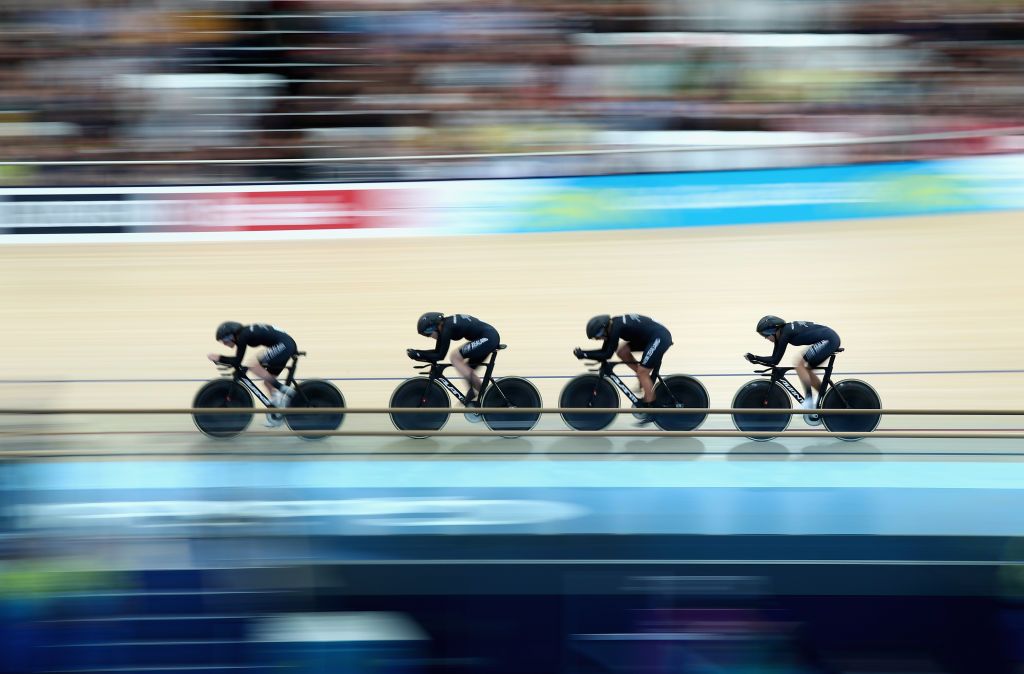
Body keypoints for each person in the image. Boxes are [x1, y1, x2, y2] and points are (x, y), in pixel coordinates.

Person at [573, 314, 673, 424]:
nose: (599, 338)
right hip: (653, 336)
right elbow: (605, 351)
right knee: (622, 351)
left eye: (599, 334)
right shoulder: (613, 325)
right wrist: (585, 354)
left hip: (659, 337)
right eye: (596, 337)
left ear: (605, 327)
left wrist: (584, 354)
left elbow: (606, 354)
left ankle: (653, 409)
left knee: (642, 372)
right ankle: (644, 378)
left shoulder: (616, 327)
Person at [745, 315, 841, 425]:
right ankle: (825, 397)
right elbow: (774, 360)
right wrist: (756, 359)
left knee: (799, 365)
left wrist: (756, 358)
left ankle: (809, 401)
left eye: (765, 335)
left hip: (829, 339)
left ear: (773, 331)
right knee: (805, 368)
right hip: (829, 338)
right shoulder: (783, 333)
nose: (766, 338)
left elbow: (775, 360)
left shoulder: (785, 334)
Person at [208, 321, 297, 427]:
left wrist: (218, 357)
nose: (225, 343)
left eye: (225, 340)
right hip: (285, 344)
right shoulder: (245, 333)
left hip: (284, 345)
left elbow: (237, 361)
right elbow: (239, 361)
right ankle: (277, 413)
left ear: (232, 335)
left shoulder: (242, 336)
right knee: (267, 382)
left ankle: (282, 388)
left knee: (253, 366)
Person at [407, 312, 500, 404]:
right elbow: (437, 352)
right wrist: (418, 353)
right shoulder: (446, 324)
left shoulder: (447, 328)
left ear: (434, 326)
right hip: (488, 337)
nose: (429, 336)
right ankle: (486, 398)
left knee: (455, 357)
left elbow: (440, 356)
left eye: (428, 333)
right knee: (467, 369)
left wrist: (418, 354)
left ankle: (475, 392)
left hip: (488, 338)